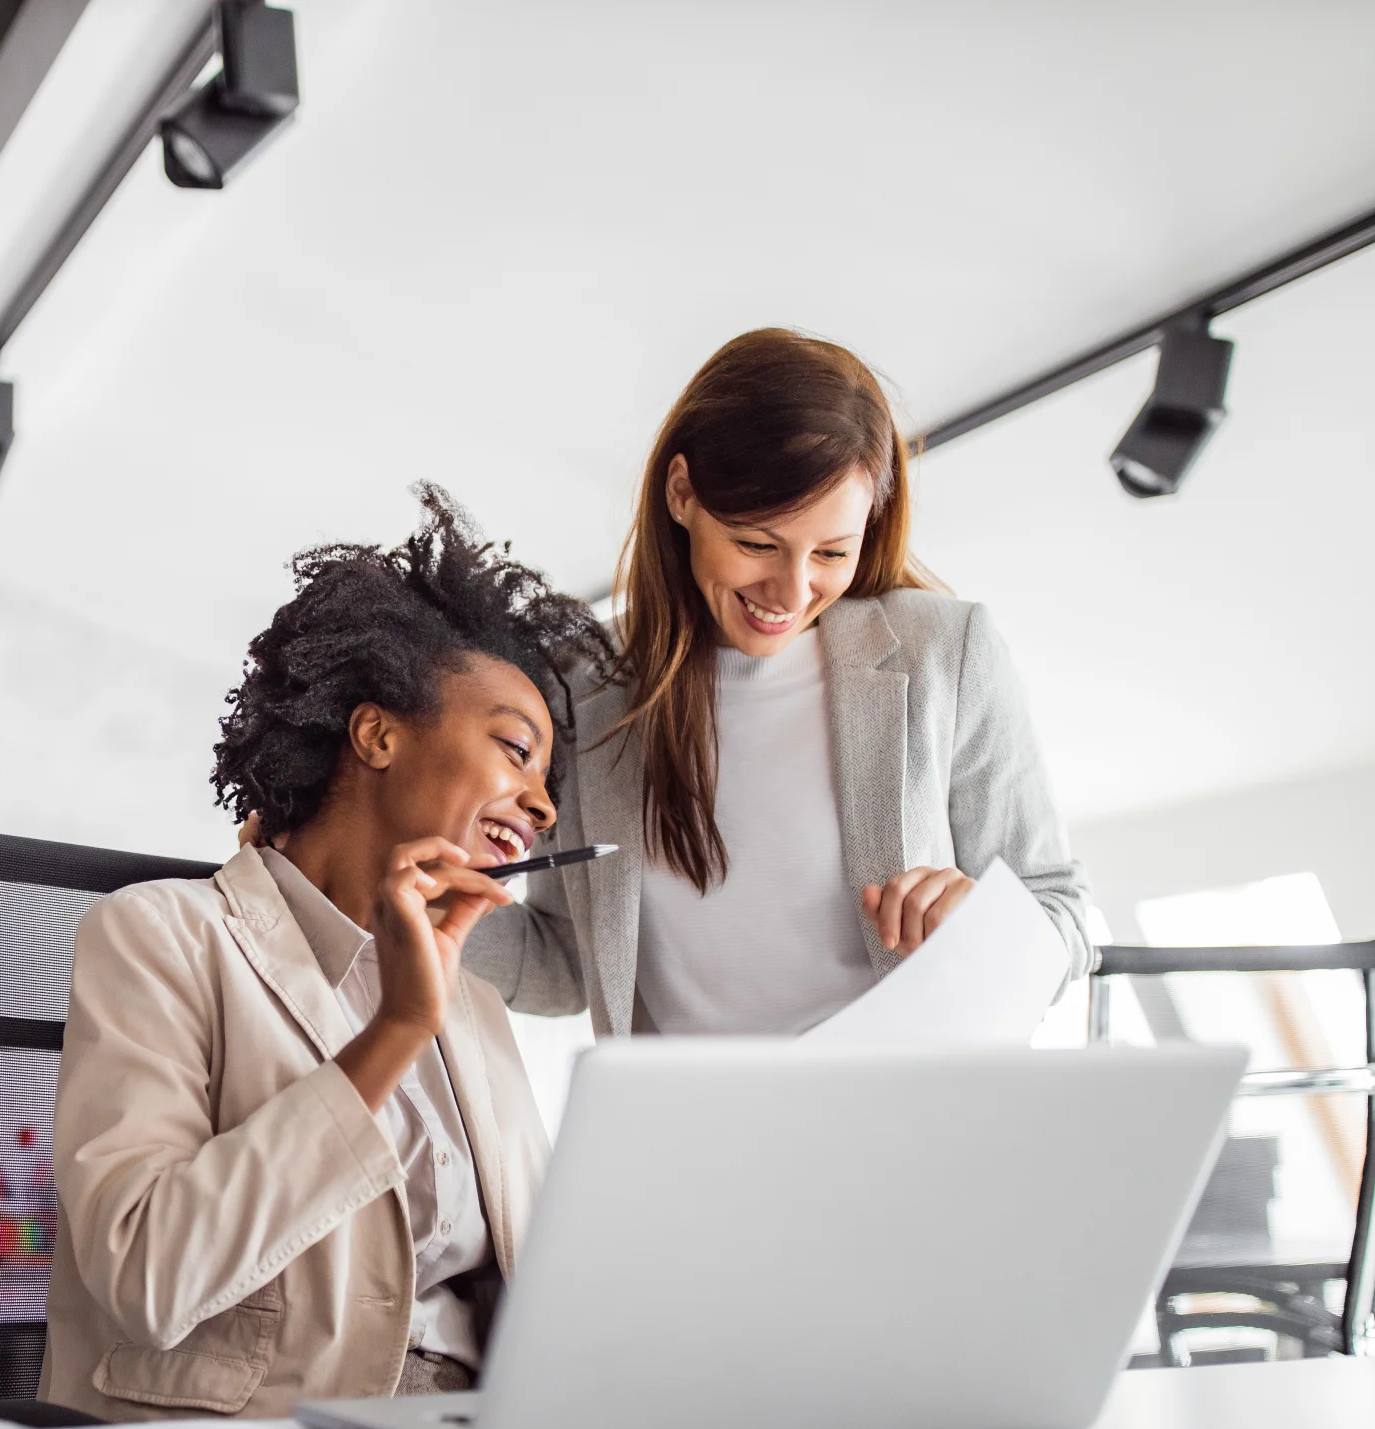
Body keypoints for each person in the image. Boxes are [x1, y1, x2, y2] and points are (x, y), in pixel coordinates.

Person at [39, 489, 611, 1422]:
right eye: (515, 750)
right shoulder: (159, 937)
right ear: (377, 732)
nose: (543, 808)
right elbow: (146, 1276)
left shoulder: (475, 1006)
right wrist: (394, 1032)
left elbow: (542, 1293)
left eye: (547, 783)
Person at [466, 329, 1089, 1038]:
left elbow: (1062, 910)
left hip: (912, 1121)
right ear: (681, 493)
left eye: (831, 552)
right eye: (757, 544)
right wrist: (417, 912)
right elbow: (569, 966)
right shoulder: (579, 688)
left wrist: (985, 926)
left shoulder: (945, 652)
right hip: (697, 1133)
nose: (791, 591)